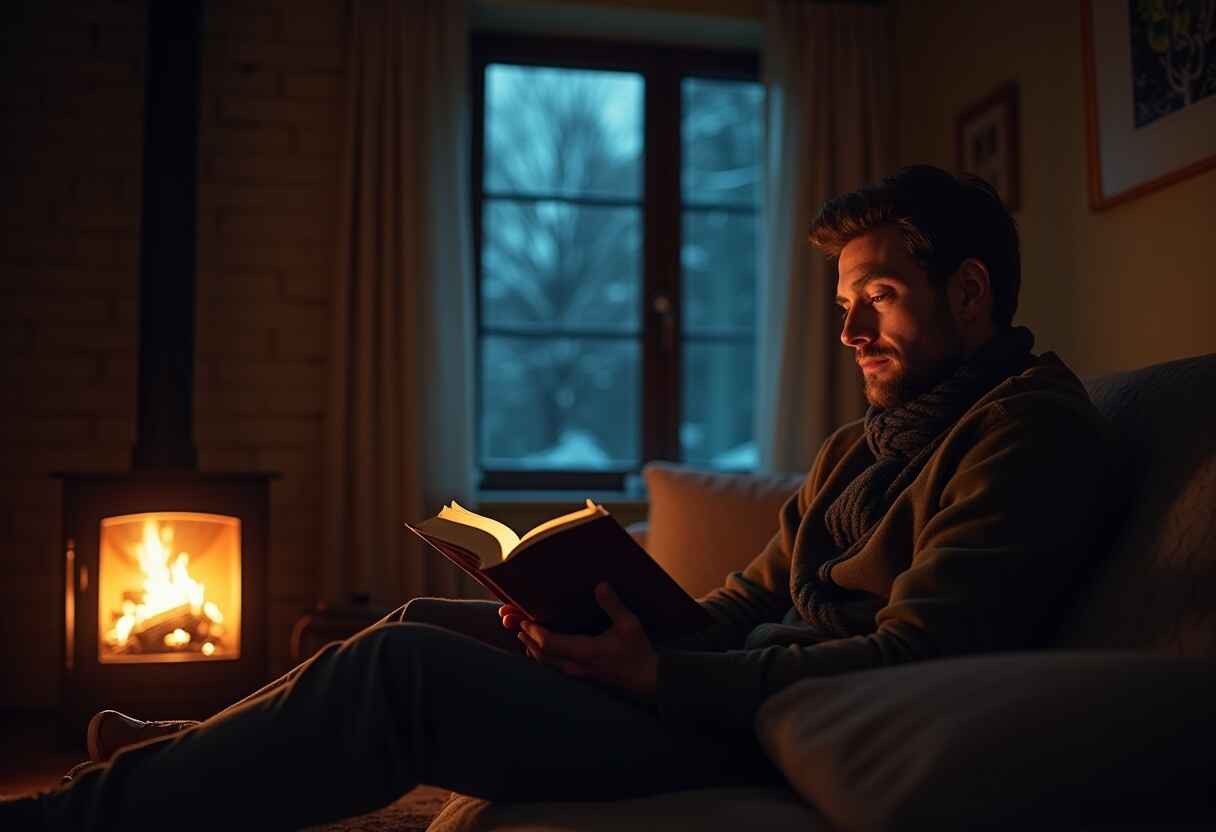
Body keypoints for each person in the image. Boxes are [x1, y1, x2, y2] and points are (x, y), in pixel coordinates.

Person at [2, 165, 1118, 830]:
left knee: (399, 675)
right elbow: (744, 600)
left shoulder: (1025, 431)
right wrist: (594, 618)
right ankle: (185, 746)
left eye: (877, 296)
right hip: (721, 685)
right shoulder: (865, 441)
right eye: (842, 299)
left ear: (969, 295)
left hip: (773, 730)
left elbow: (916, 658)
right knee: (415, 624)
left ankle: (75, 815)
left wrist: (666, 673)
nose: (846, 331)